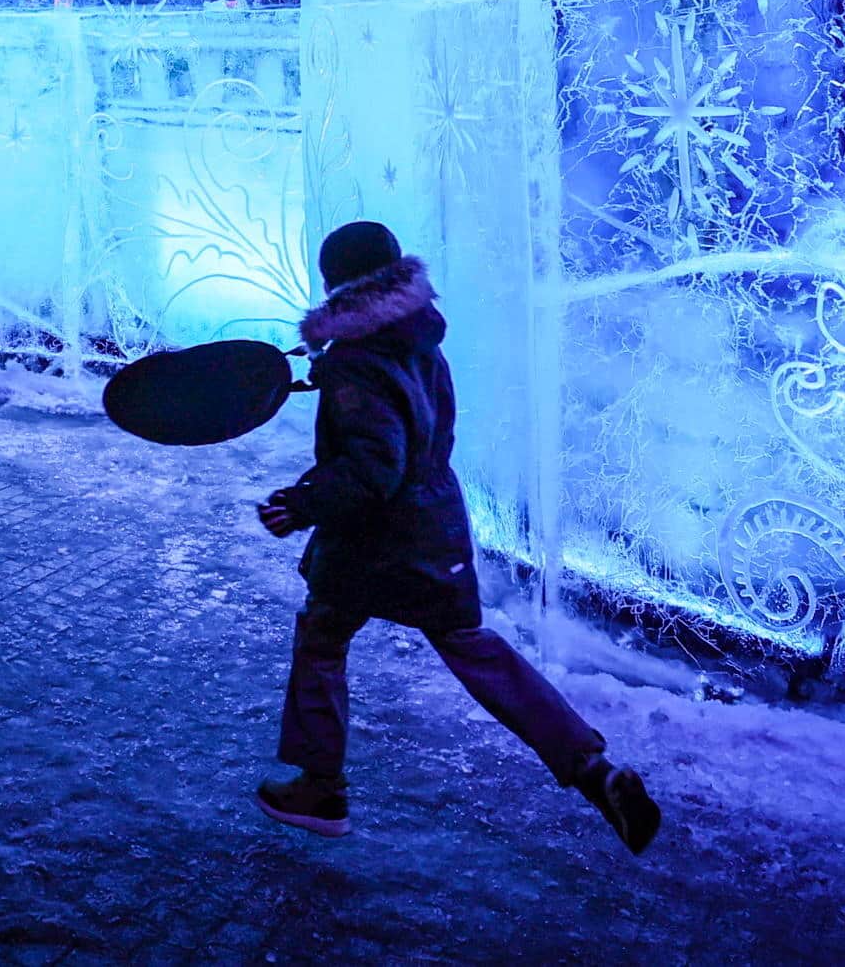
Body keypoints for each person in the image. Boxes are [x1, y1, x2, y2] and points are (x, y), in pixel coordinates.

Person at [254, 220, 663, 854]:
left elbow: (374, 466)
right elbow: (404, 422)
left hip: (371, 543)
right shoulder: (419, 336)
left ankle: (320, 788)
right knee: (473, 648)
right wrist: (331, 380)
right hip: (434, 528)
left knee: (321, 639)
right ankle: (592, 768)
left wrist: (303, 503)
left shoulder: (355, 362)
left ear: (336, 284)